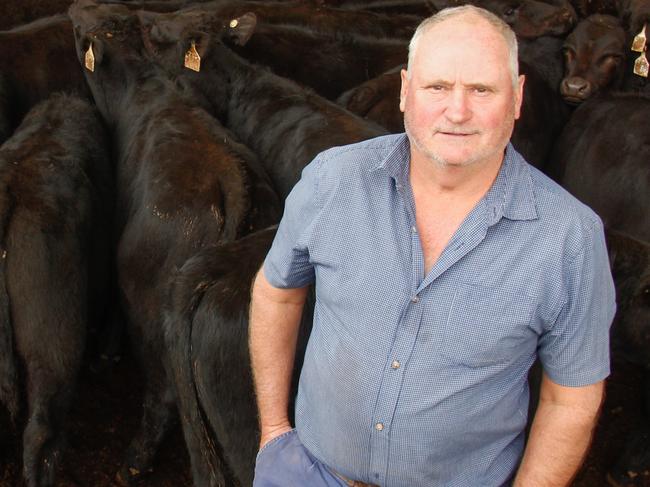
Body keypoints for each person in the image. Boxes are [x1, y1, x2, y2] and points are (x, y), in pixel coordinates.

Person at [249, 5, 616, 487]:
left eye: (481, 90)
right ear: (404, 91)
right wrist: (275, 432)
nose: (457, 111)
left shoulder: (569, 237)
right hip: (309, 473)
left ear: (518, 97)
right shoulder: (332, 180)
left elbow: (570, 398)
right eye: (438, 87)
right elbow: (276, 290)